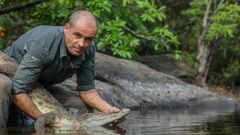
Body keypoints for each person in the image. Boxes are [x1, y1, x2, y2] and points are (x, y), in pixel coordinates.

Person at [0, 10, 121, 128]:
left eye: (88, 38)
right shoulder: (44, 42)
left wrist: (109, 111)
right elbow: (18, 90)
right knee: (3, 85)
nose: (81, 44)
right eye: (77, 35)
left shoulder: (88, 49)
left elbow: (87, 91)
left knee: (81, 106)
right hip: (13, 79)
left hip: (40, 85)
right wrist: (45, 120)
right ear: (67, 28)